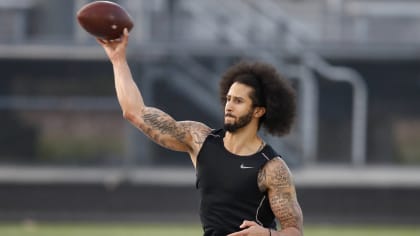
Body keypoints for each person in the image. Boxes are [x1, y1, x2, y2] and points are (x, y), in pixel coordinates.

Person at [97, 28, 303, 236]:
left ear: (258, 110)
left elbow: (295, 231)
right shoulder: (200, 140)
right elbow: (135, 112)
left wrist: (267, 234)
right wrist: (118, 61)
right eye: (229, 98)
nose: (229, 106)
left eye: (239, 101)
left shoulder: (272, 167)